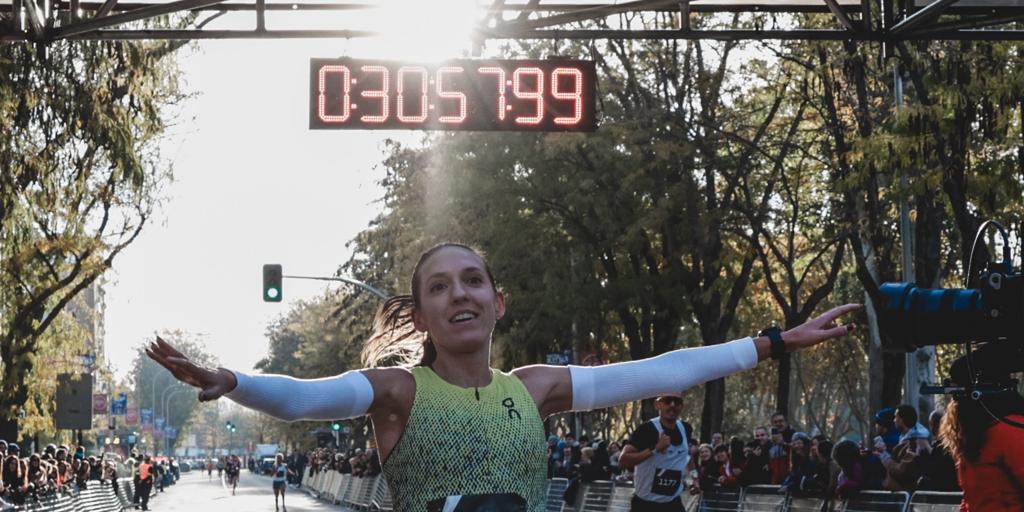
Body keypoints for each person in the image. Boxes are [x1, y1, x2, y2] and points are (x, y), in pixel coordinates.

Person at [146, 243, 861, 512]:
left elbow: (665, 369)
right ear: (421, 316)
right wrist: (232, 379)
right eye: (439, 287)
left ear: (496, 302)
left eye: (473, 280)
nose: (459, 293)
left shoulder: (537, 388)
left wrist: (774, 340)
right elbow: (305, 397)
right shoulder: (397, 393)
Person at [937, 343, 1024, 512]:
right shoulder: (970, 433)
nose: (954, 403)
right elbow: (972, 498)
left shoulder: (1010, 430)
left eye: (958, 395)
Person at [619, 394, 692, 511]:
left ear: (682, 406)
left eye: (677, 402)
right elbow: (623, 461)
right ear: (657, 404)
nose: (672, 405)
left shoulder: (686, 428)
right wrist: (655, 449)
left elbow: (686, 455)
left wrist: (694, 478)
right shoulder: (647, 429)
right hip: (646, 505)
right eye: (668, 401)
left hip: (673, 503)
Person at [878, 404, 930, 492]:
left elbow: (902, 472)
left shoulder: (914, 443)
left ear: (901, 420)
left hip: (905, 494)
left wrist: (885, 457)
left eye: (895, 417)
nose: (894, 420)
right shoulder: (905, 439)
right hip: (900, 494)